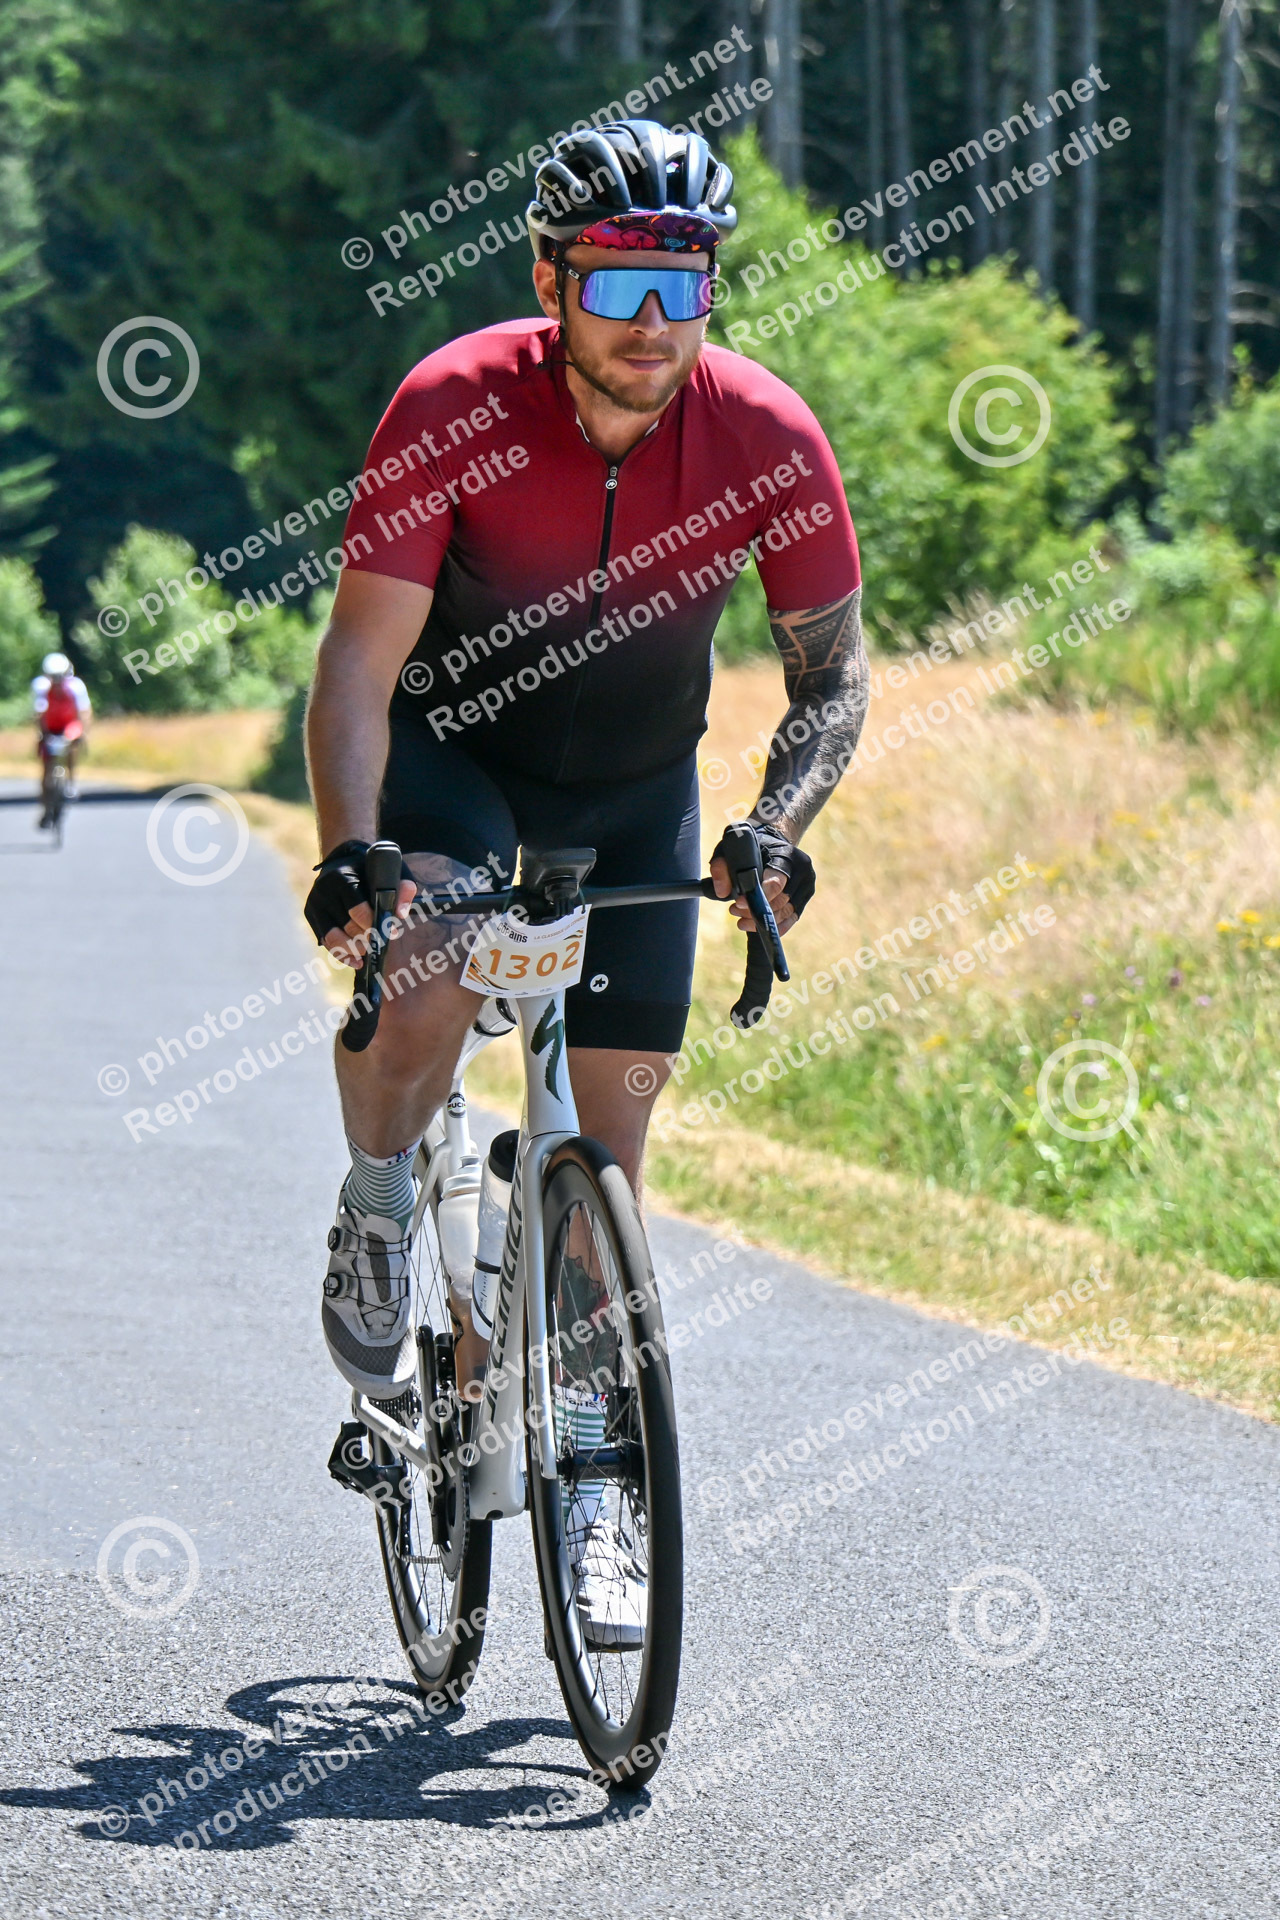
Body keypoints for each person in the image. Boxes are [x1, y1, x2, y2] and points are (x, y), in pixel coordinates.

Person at [302, 119, 869, 1637]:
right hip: (454, 766)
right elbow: (358, 663)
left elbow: (831, 681)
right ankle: (377, 1198)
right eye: (618, 284)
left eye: (682, 285)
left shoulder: (767, 435)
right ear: (551, 281)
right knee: (427, 982)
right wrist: (354, 849)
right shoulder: (452, 404)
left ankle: (599, 1485)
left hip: (635, 795)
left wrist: (775, 824)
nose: (650, 325)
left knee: (603, 1164)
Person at [32, 651, 91, 824]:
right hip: (50, 726)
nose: (57, 681)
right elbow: (38, 713)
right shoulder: (41, 686)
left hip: (69, 724)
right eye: (54, 676)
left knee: (71, 743)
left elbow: (84, 712)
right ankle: (46, 807)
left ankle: (71, 782)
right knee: (46, 767)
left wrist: (83, 732)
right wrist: (42, 734)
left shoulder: (76, 686)